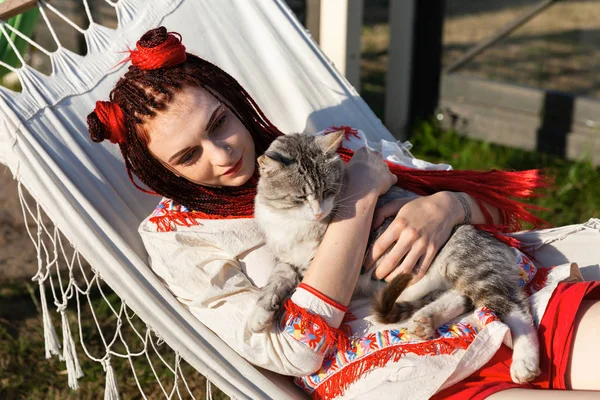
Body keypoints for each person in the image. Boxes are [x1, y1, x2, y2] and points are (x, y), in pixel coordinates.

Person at [87, 26, 600, 399]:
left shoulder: (329, 148)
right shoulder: (179, 236)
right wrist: (356, 203)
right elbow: (295, 352)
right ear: (159, 171)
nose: (222, 154)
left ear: (232, 99)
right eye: (187, 156)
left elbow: (498, 214)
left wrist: (448, 206)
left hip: (517, 300)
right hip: (413, 379)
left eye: (219, 122)